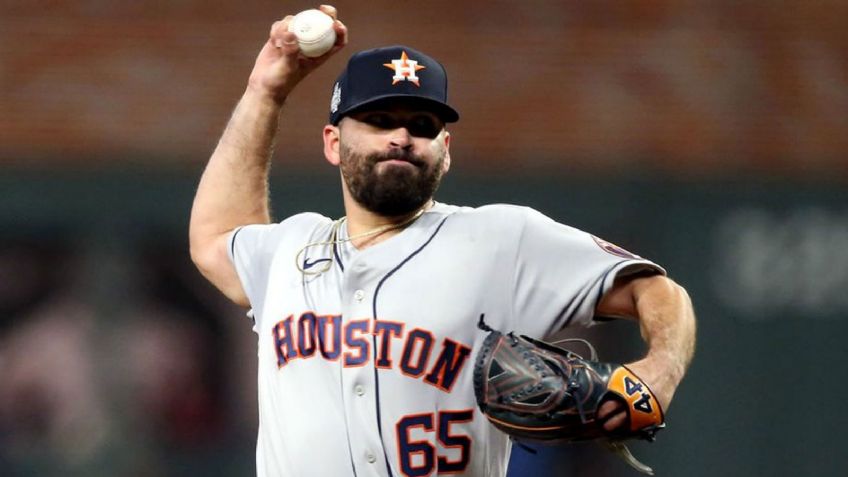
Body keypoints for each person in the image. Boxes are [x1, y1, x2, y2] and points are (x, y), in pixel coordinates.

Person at [189, 5, 696, 477]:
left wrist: (658, 372)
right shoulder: (290, 250)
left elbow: (658, 292)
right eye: (380, 121)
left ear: (445, 151)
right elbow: (215, 237)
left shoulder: (499, 238)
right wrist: (265, 92)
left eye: (422, 125)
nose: (402, 136)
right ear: (333, 142)